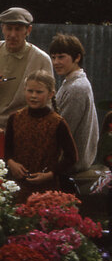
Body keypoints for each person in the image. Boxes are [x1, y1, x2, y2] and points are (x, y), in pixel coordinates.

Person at [0, 7, 53, 128]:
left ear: (28, 30)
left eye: (18, 29)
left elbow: (47, 101)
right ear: (2, 28)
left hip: (21, 129)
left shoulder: (40, 59)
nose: (12, 34)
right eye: (9, 28)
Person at [4, 70, 77, 199]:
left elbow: (71, 157)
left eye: (39, 92)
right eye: (30, 91)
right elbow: (6, 148)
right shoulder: (15, 118)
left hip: (46, 189)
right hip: (16, 185)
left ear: (50, 94)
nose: (33, 96)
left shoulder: (57, 122)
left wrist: (50, 174)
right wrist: (11, 163)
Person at [49, 33, 99, 174]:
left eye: (61, 57)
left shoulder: (77, 88)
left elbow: (64, 129)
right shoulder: (71, 82)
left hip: (71, 164)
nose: (56, 62)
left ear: (77, 57)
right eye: (53, 57)